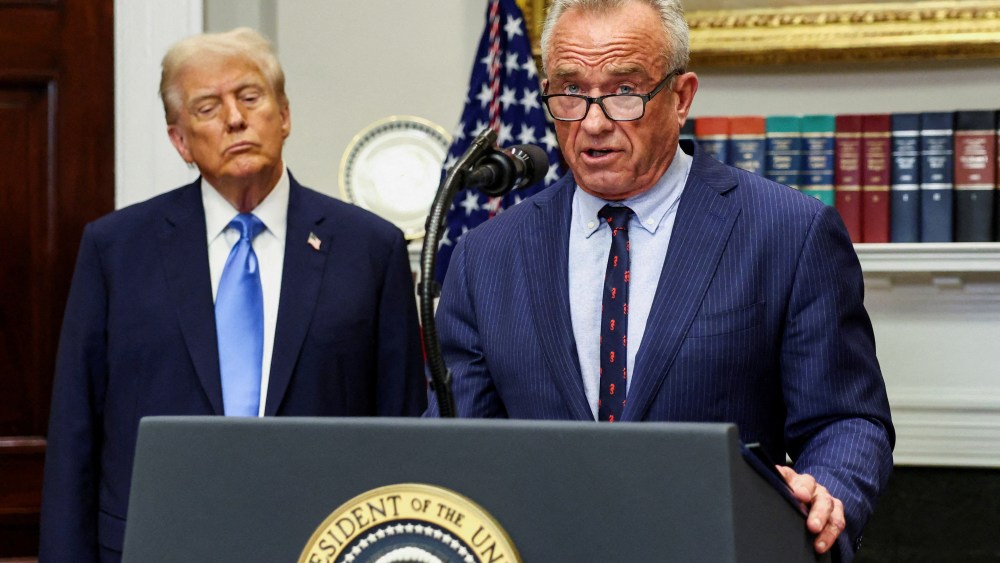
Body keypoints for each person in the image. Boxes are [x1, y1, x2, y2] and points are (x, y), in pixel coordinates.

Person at [426, 1, 893, 560]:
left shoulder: (788, 232)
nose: (593, 122)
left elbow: (846, 418)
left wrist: (829, 496)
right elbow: (457, 446)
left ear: (681, 96)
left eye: (624, 91)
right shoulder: (485, 256)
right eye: (570, 92)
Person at [39, 28, 426, 562]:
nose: (235, 119)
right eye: (207, 107)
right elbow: (74, 433)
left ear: (284, 115)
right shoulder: (117, 250)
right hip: (157, 545)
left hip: (322, 544)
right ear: (180, 141)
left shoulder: (369, 249)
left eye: (250, 97)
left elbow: (402, 434)